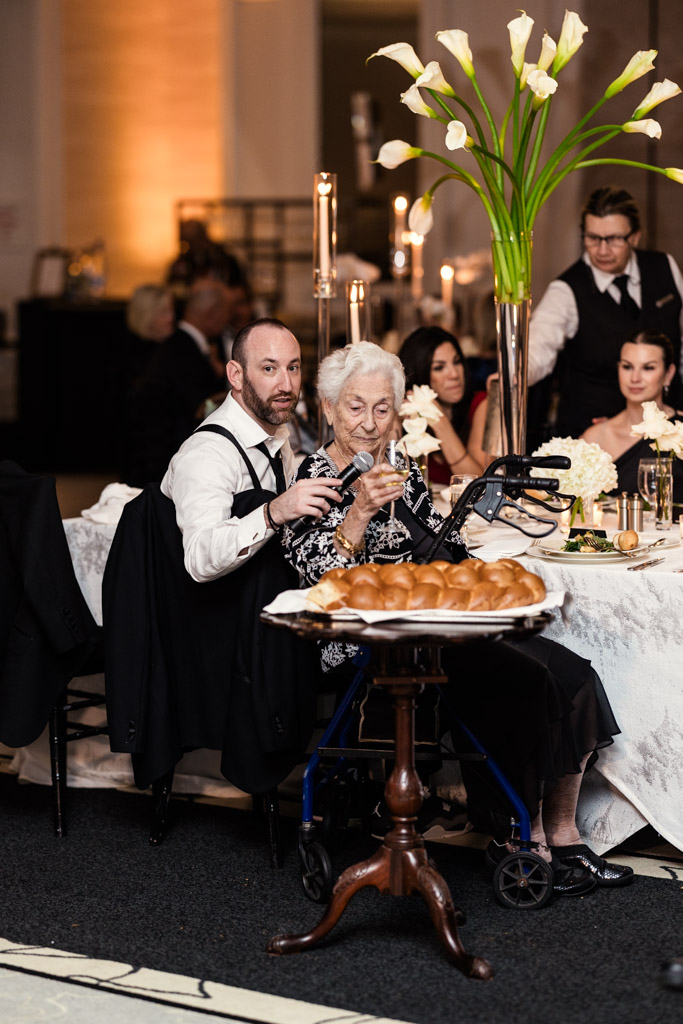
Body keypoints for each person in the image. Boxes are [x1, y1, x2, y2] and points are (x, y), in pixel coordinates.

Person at [282, 341, 633, 895]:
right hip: (376, 637)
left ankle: (564, 833)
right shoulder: (315, 479)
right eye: (355, 407)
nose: (370, 423)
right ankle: (524, 836)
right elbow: (316, 579)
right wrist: (357, 514)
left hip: (442, 620)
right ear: (328, 408)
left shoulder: (401, 467)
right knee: (527, 681)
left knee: (574, 675)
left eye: (382, 408)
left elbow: (440, 548)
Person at [161, 317, 344, 582]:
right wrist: (273, 513)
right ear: (236, 375)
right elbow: (199, 559)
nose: (286, 385)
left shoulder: (275, 432)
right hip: (219, 614)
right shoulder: (207, 453)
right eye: (269, 369)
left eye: (293, 367)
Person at [528, 186, 683, 437]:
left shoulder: (664, 267)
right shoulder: (566, 289)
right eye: (592, 238)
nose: (601, 250)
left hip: (666, 431)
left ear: (635, 237)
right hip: (595, 435)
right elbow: (537, 350)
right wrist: (514, 375)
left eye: (613, 239)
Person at [125, 279, 234, 485]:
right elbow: (201, 409)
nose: (172, 317)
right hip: (166, 464)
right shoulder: (177, 351)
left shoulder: (184, 347)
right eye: (164, 312)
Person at [581, 330, 683, 506]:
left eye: (648, 368)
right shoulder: (595, 437)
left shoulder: (680, 429)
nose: (635, 378)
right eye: (627, 367)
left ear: (668, 374)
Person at [399, 326, 489, 484]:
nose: (454, 374)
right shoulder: (406, 411)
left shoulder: (480, 404)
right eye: (439, 367)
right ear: (420, 373)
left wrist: (439, 421)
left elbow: (478, 482)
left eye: (457, 362)